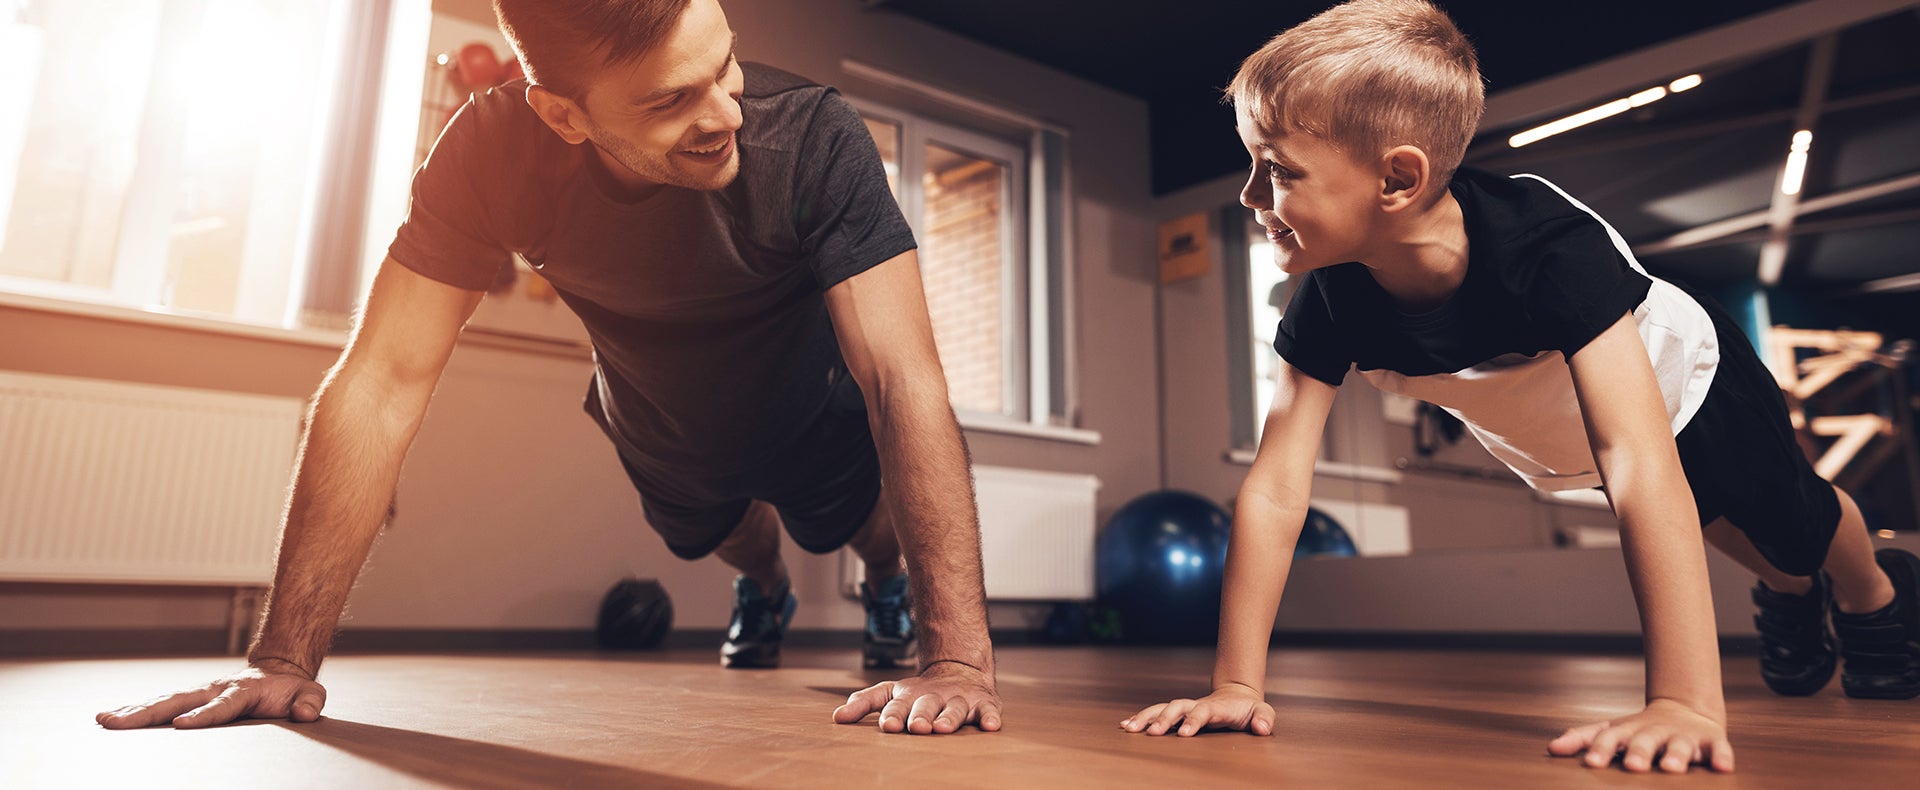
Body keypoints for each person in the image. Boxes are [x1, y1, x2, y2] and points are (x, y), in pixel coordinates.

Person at [95, 0, 1001, 737]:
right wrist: (282, 660)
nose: (727, 112)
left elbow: (902, 381)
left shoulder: (812, 137)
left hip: (808, 406)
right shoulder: (493, 154)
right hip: (663, 423)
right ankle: (765, 594)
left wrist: (957, 660)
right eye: (671, 99)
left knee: (859, 524)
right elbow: (380, 384)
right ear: (564, 115)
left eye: (725, 64)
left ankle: (885, 587)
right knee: (734, 537)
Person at [1121, 0, 1919, 773]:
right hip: (1576, 436)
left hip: (1693, 385)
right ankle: (1789, 589)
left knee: (1792, 518)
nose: (1248, 195)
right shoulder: (1332, 301)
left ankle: (1874, 595)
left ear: (1397, 179)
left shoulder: (1547, 249)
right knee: (1732, 532)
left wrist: (1684, 703)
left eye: (1276, 169)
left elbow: (1638, 462)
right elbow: (1275, 489)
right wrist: (1237, 684)